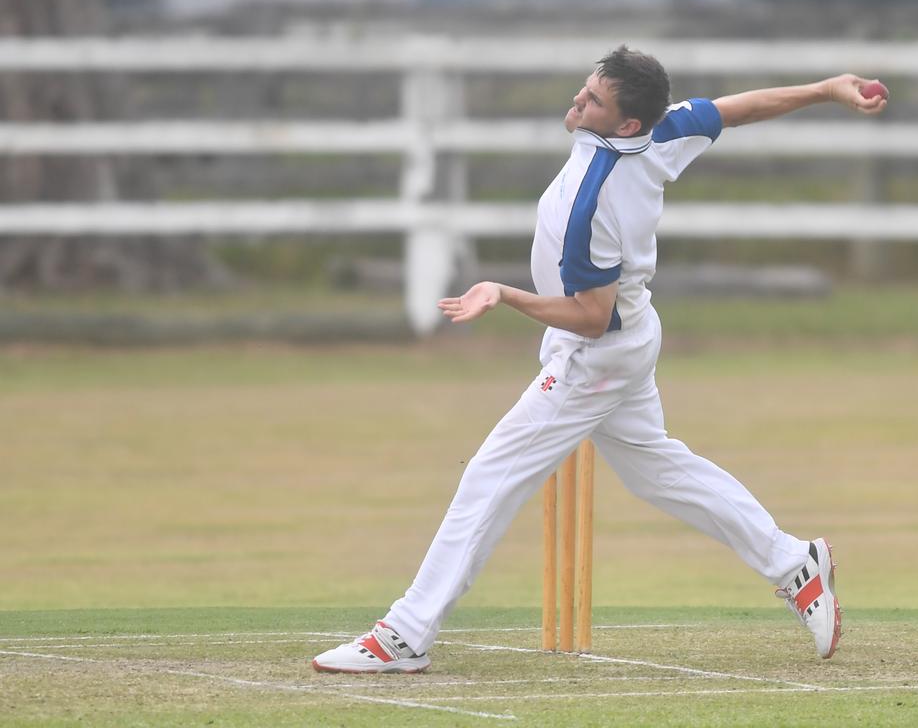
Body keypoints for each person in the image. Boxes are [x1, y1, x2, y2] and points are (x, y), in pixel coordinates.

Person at [313, 45, 888, 674]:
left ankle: (404, 634)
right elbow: (736, 109)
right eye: (585, 88)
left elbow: (591, 314)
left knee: (491, 476)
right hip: (627, 336)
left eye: (593, 101)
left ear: (628, 124)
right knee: (655, 470)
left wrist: (506, 294)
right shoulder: (663, 130)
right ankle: (793, 563)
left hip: (597, 351)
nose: (578, 101)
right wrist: (826, 89)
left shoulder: (595, 200)